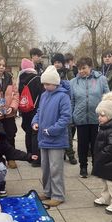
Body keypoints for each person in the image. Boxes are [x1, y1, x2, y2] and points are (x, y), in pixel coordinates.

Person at [32, 65, 71, 207]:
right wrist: (35, 122)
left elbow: (66, 118)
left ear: (55, 83)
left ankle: (58, 195)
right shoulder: (44, 95)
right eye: (44, 83)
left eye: (47, 83)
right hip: (43, 138)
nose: (44, 86)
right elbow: (39, 112)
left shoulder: (63, 96)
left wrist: (52, 130)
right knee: (46, 168)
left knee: (56, 168)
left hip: (56, 140)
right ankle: (48, 191)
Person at [70, 57, 109, 178]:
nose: (81, 71)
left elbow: (108, 98)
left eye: (84, 68)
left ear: (90, 67)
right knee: (82, 144)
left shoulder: (101, 79)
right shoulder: (73, 82)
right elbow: (71, 101)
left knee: (97, 144)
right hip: (80, 118)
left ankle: (96, 166)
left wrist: (107, 114)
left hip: (97, 118)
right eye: (79, 69)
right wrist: (71, 117)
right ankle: (83, 167)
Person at [52, 53, 77, 165]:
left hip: (66, 105)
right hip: (53, 106)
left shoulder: (68, 73)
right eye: (55, 62)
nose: (57, 64)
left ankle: (70, 153)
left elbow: (72, 88)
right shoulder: (50, 73)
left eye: (59, 62)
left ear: (63, 63)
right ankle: (59, 152)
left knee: (67, 131)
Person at [18, 58, 44, 167]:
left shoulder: (20, 79)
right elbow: (42, 94)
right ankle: (36, 157)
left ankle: (29, 155)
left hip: (25, 109)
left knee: (28, 132)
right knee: (35, 132)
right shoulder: (37, 79)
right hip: (35, 109)